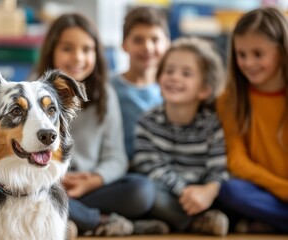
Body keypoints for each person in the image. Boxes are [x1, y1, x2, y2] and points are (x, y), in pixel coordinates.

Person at [35, 13, 169, 237]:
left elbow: (116, 157)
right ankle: (99, 221)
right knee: (22, 194)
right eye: (67, 49)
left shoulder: (105, 94)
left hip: (89, 187)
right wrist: (57, 177)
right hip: (45, 184)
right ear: (52, 50)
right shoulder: (31, 91)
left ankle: (69, 218)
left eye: (87, 49)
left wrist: (93, 180)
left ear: (96, 53)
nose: (78, 58)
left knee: (141, 191)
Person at [131, 37, 229, 236]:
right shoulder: (147, 121)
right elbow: (148, 164)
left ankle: (186, 220)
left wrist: (208, 191)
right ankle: (195, 223)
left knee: (228, 191)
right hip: (167, 193)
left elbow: (218, 168)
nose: (174, 77)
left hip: (201, 196)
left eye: (186, 73)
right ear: (159, 78)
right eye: (169, 71)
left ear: (204, 90)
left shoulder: (211, 124)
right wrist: (184, 190)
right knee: (146, 192)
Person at [216, 7, 288, 233]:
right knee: (230, 190)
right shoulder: (229, 100)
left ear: (282, 51)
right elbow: (237, 161)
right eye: (241, 54)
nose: (248, 63)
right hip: (264, 191)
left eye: (258, 54)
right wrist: (283, 189)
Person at [110, 6, 169, 161]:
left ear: (167, 44)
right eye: (138, 40)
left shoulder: (173, 90)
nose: (147, 47)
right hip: (123, 169)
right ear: (123, 45)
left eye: (155, 40)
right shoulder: (109, 88)